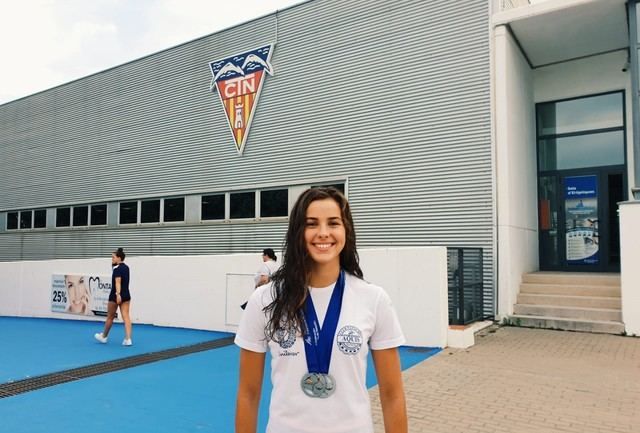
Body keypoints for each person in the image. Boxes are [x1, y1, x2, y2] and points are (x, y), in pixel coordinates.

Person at [235, 187, 407, 433]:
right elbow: (248, 395)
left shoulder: (373, 299)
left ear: (345, 230)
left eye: (333, 223)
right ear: (297, 231)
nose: (323, 233)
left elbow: (392, 396)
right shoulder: (265, 300)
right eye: (312, 224)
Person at [94, 248, 133, 346]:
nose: (112, 259)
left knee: (110, 317)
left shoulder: (117, 269)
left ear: (119, 258)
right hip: (126, 295)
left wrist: (118, 294)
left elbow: (118, 282)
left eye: (113, 257)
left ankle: (104, 337)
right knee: (126, 316)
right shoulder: (126, 268)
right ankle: (128, 339)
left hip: (116, 295)